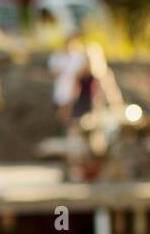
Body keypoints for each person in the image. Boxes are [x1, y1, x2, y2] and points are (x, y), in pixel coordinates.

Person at [51, 33, 125, 181]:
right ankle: (74, 171)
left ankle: (94, 172)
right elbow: (73, 93)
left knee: (98, 142)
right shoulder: (80, 75)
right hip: (81, 109)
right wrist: (66, 109)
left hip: (96, 111)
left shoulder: (103, 75)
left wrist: (119, 109)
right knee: (76, 140)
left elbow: (112, 94)